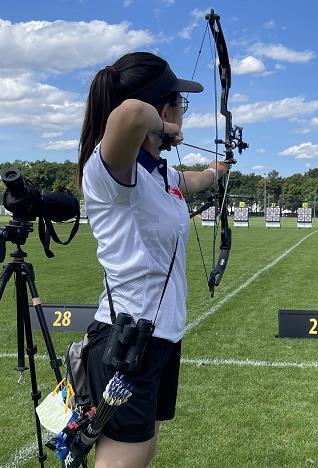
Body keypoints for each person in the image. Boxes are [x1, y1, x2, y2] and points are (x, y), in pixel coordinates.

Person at [76, 51, 228, 468]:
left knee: (143, 449)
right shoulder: (111, 173)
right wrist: (166, 127)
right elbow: (129, 113)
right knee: (122, 458)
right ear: (165, 109)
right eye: (180, 104)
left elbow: (191, 180)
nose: (184, 113)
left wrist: (217, 171)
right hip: (125, 338)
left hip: (159, 336)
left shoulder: (158, 173)